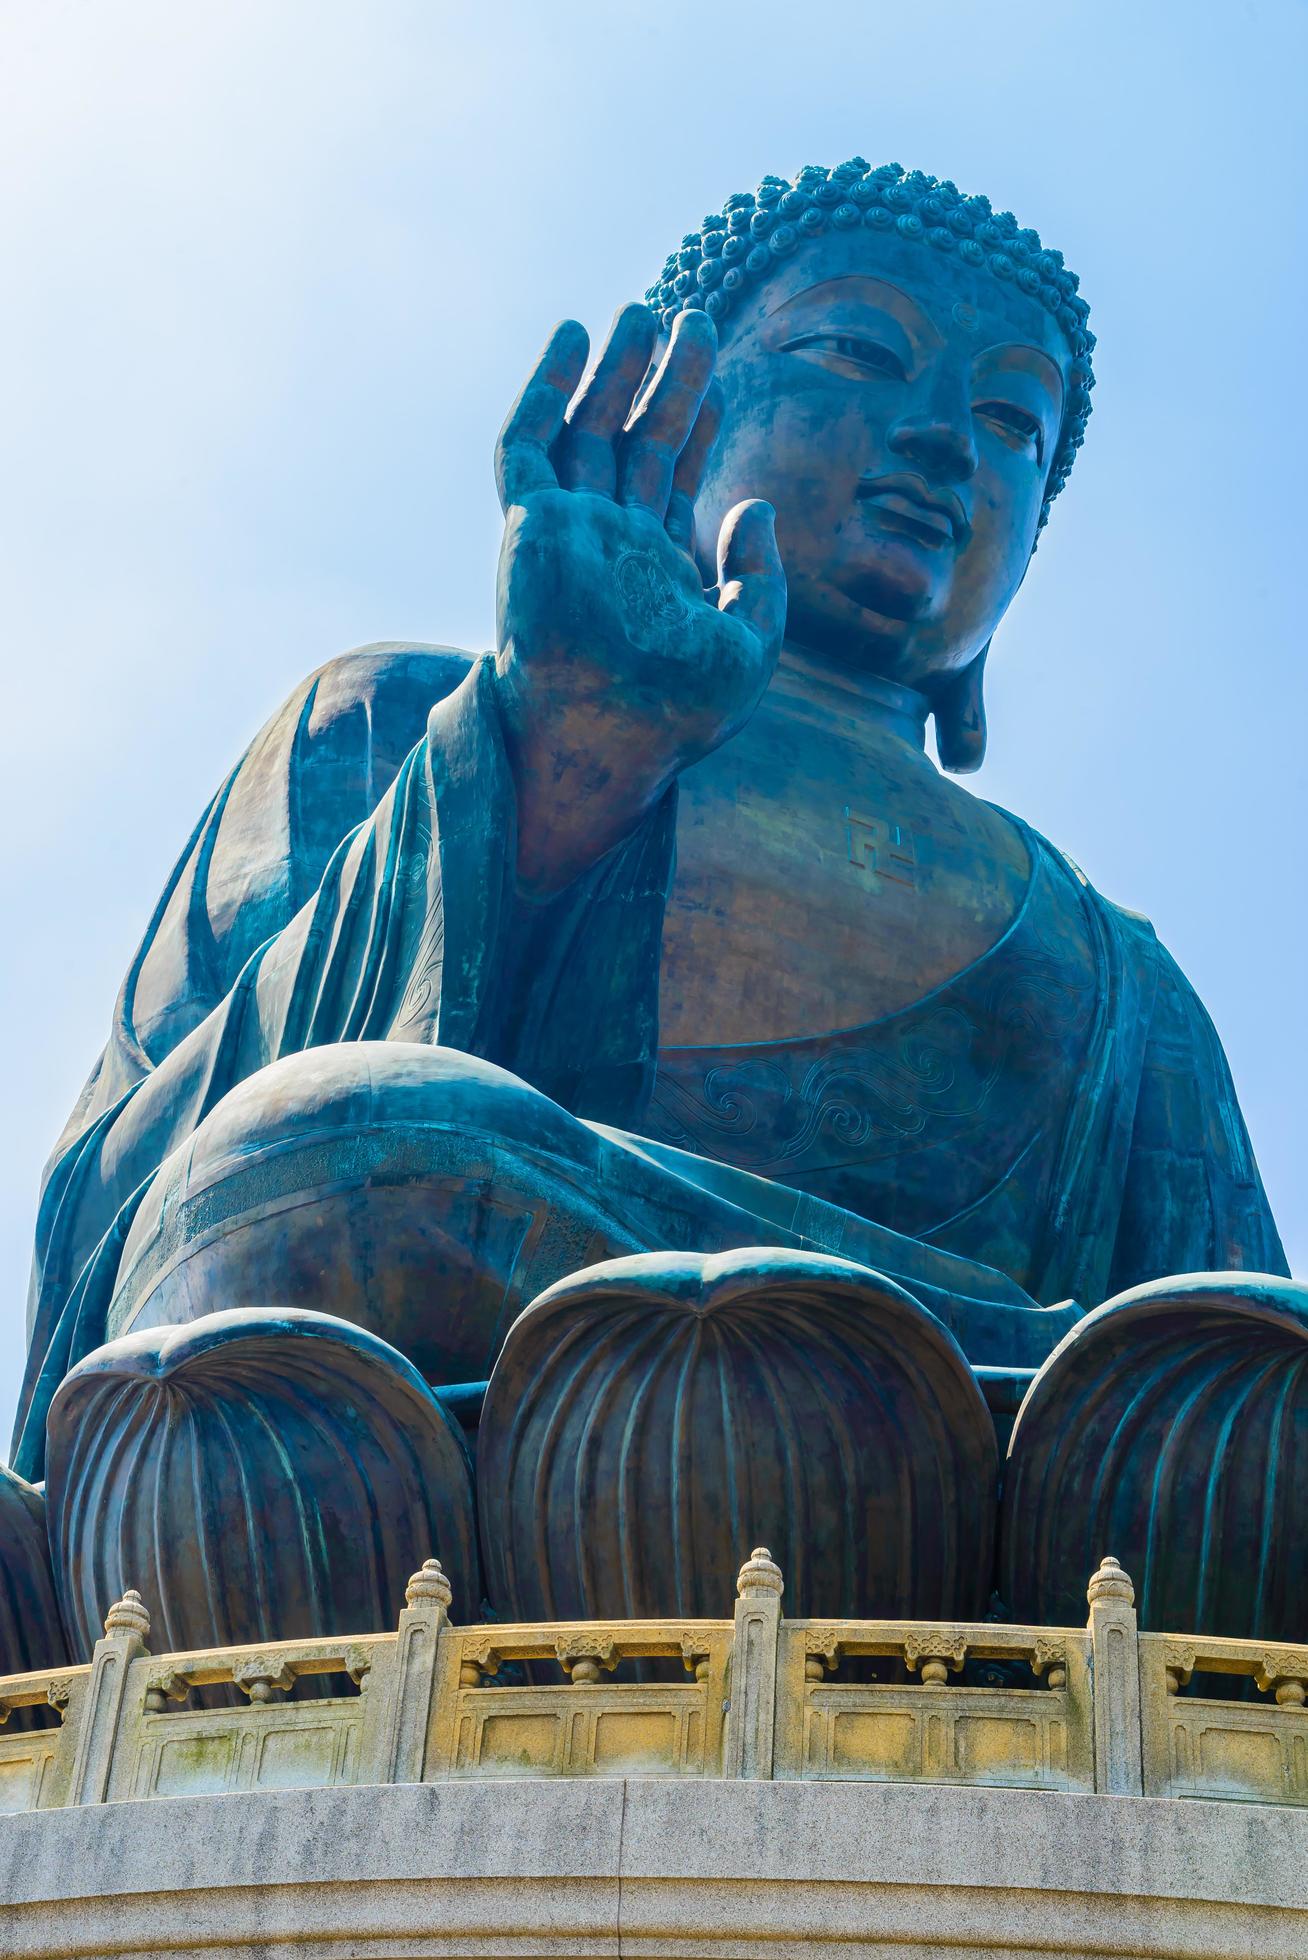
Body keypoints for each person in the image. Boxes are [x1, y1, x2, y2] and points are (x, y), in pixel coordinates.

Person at [12, 162, 1293, 1655]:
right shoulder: (394, 719)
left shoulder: (1111, 973)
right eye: (859, 356)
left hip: (983, 1475)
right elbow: (132, 1225)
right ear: (673, 420)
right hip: (398, 1474)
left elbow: (1219, 1367)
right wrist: (562, 750)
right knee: (327, 1154)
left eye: (1016, 423)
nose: (947, 441)